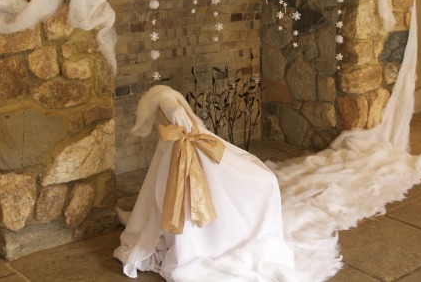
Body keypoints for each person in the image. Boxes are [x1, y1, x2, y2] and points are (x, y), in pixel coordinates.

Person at [113, 85, 291, 280]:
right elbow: (174, 110)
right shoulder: (172, 110)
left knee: (261, 178)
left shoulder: (168, 108)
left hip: (194, 148)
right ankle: (218, 239)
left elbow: (174, 110)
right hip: (188, 152)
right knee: (263, 181)